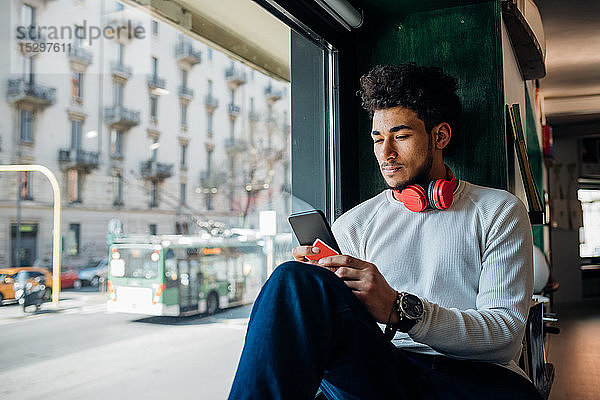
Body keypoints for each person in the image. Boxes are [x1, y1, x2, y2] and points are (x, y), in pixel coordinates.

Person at [228, 64, 542, 399]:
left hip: (474, 380)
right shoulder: (355, 224)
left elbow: (505, 339)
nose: (385, 153)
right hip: (385, 371)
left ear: (440, 136)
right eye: (378, 138)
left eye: (401, 137)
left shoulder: (498, 210)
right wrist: (317, 295)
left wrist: (398, 308)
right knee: (294, 280)